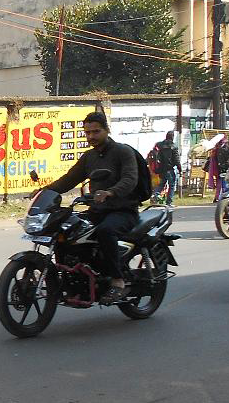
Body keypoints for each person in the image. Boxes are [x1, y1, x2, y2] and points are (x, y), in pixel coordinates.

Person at [45, 111, 140, 305]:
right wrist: (44, 191)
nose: (91, 137)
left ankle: (117, 281)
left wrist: (111, 192)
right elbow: (69, 180)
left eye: (96, 132)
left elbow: (130, 179)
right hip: (98, 210)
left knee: (106, 231)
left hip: (123, 210)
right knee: (68, 230)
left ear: (107, 130)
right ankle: (75, 281)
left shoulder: (123, 152)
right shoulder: (89, 157)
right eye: (87, 133)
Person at [153, 131, 179, 206]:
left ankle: (155, 195)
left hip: (161, 169)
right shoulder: (173, 146)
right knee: (172, 185)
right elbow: (176, 159)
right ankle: (169, 202)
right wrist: (179, 168)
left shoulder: (159, 145)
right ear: (172, 137)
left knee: (162, 184)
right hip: (169, 169)